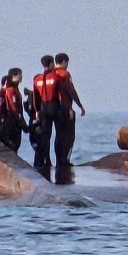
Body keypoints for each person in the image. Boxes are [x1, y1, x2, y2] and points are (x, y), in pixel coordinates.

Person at [49, 53, 86, 185]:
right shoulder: (65, 74)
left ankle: (59, 159)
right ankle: (65, 160)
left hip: (53, 110)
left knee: (58, 135)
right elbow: (71, 91)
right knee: (69, 136)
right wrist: (79, 106)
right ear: (64, 62)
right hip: (65, 109)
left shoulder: (51, 74)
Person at [0, 68, 26, 153]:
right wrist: (21, 121)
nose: (21, 77)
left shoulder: (13, 89)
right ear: (14, 76)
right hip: (11, 121)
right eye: (20, 74)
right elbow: (13, 107)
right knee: (13, 144)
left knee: (14, 144)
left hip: (10, 120)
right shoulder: (11, 90)